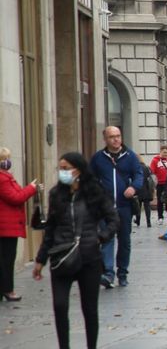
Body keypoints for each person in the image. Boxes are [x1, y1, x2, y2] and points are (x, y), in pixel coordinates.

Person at [34, 152, 119, 349]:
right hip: (61, 256)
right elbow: (50, 229)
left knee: (89, 309)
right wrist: (40, 259)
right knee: (60, 305)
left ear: (78, 170)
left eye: (66, 168)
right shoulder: (56, 194)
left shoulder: (94, 192)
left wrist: (101, 237)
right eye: (60, 168)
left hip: (89, 258)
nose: (62, 172)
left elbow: (114, 219)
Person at [90, 126, 143, 288]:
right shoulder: (98, 158)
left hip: (124, 206)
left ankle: (122, 272)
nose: (116, 139)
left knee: (124, 240)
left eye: (118, 136)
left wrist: (133, 187)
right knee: (107, 239)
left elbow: (139, 175)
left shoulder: (130, 156)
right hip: (105, 208)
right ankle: (108, 273)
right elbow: (90, 179)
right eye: (112, 137)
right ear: (105, 139)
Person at [0, 147, 39, 301]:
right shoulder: (2, 178)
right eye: (3, 159)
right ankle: (8, 290)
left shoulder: (6, 176)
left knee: (5, 259)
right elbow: (16, 198)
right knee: (6, 260)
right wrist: (31, 188)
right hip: (5, 227)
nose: (6, 162)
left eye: (7, 158)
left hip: (7, 225)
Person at [150, 145, 167, 225]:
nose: (166, 154)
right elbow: (152, 172)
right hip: (159, 183)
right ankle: (160, 217)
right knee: (160, 200)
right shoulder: (155, 160)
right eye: (164, 152)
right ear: (161, 152)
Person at [134, 156, 154, 227]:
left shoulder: (136, 168)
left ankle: (138, 221)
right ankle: (148, 222)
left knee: (138, 206)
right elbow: (151, 179)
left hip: (138, 189)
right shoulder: (147, 168)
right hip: (146, 189)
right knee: (147, 206)